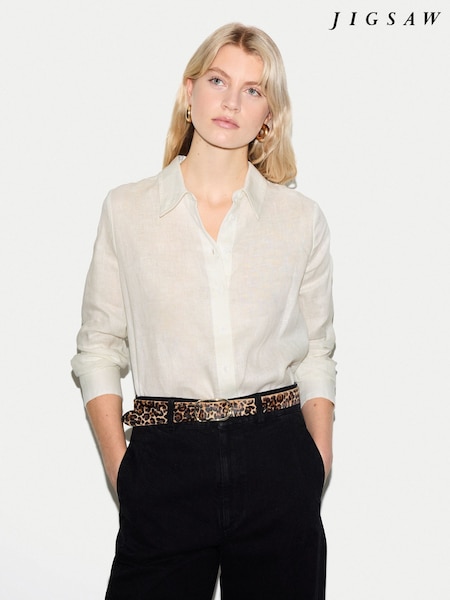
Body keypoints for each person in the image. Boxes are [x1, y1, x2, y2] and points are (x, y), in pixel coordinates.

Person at [71, 22, 336, 600]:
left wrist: (317, 457)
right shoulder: (127, 211)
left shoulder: (301, 221)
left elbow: (316, 350)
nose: (231, 101)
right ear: (189, 92)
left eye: (252, 89)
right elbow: (98, 347)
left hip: (277, 460)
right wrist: (123, 471)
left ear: (268, 115)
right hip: (165, 462)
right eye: (218, 80)